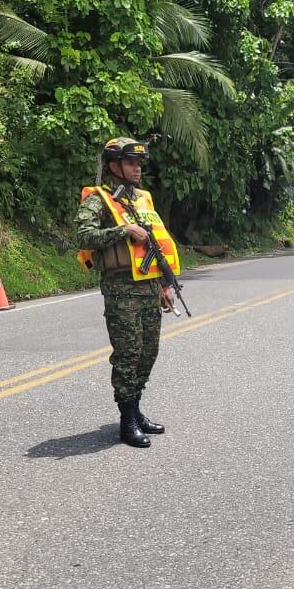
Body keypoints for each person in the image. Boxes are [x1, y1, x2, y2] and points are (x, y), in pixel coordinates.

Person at [75, 137, 178, 448]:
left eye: (139, 163)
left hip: (149, 287)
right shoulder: (100, 199)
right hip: (122, 292)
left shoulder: (143, 199)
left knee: (149, 352)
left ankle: (137, 409)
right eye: (132, 162)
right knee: (128, 355)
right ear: (114, 165)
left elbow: (156, 245)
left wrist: (164, 285)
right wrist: (123, 231)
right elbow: (83, 235)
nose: (138, 168)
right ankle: (127, 420)